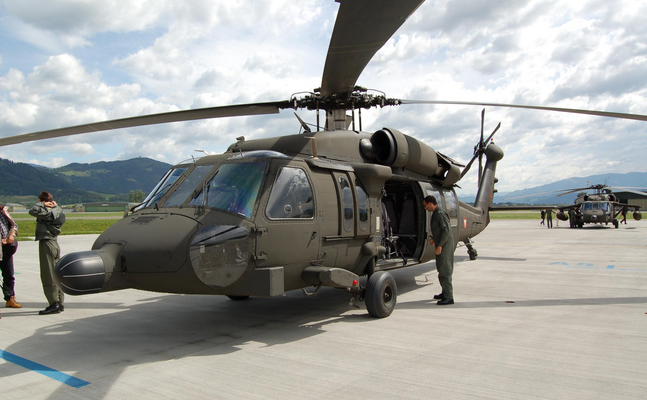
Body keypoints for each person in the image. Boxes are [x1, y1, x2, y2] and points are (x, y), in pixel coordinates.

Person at [29, 191, 66, 315]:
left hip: (47, 242)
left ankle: (53, 303)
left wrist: (43, 205)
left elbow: (32, 210)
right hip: (54, 243)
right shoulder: (58, 211)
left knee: (48, 274)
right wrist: (55, 206)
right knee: (56, 273)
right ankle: (60, 302)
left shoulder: (47, 212)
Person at [423, 195, 454, 305]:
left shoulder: (440, 214)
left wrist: (440, 245)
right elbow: (439, 230)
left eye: (425, 205)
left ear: (430, 204)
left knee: (445, 270)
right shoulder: (436, 213)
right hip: (442, 244)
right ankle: (444, 292)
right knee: (441, 269)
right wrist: (433, 239)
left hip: (445, 246)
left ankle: (449, 297)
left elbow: (446, 232)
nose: (425, 208)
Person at [0, 204, 22, 310]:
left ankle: (10, 298)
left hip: (5, 249)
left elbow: (14, 225)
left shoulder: (3, 212)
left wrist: (12, 234)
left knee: (9, 274)